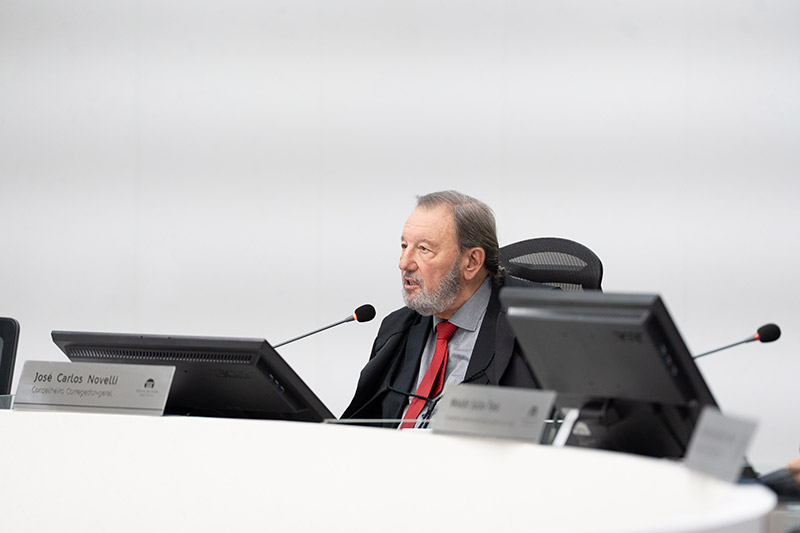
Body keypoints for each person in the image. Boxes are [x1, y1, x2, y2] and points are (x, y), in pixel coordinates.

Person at [341, 190, 543, 427]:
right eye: (404, 246)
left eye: (424, 249)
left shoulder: (534, 328)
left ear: (472, 262)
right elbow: (364, 425)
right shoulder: (396, 328)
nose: (403, 263)